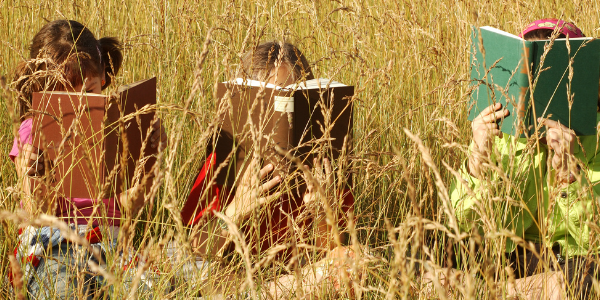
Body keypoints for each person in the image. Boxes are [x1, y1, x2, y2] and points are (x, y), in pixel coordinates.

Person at [179, 41, 357, 298]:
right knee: (201, 274)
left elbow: (329, 254)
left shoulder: (326, 167)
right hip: (235, 279)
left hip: (296, 280)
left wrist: (322, 212)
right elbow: (194, 250)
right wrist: (236, 210)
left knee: (352, 261)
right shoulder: (225, 163)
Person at [8, 20, 167, 299]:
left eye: (89, 91)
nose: (78, 105)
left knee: (163, 288)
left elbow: (132, 205)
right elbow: (37, 212)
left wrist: (152, 159)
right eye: (64, 94)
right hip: (53, 246)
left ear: (103, 77)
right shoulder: (31, 131)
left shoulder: (117, 128)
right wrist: (35, 173)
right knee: (65, 291)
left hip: (112, 245)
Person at [448, 19, 598, 299]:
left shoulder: (596, 134)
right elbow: (467, 224)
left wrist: (570, 173)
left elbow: (591, 243)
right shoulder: (502, 132)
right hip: (513, 256)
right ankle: (511, 291)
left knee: (585, 277)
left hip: (570, 262)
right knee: (426, 244)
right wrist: (477, 160)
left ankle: (488, 293)